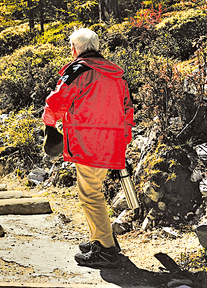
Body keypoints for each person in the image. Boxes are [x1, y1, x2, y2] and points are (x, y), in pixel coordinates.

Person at [43, 28, 134, 269]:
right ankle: (100, 238)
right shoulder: (116, 74)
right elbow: (127, 109)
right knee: (94, 191)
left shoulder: (78, 70)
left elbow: (56, 100)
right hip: (111, 142)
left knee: (90, 195)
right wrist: (123, 141)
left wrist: (49, 124)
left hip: (88, 141)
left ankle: (105, 249)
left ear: (75, 48)